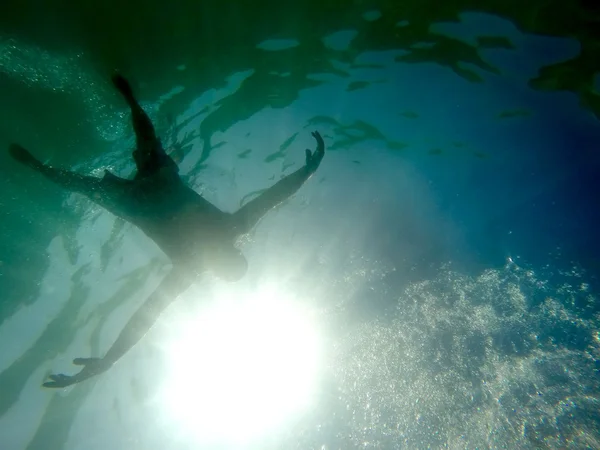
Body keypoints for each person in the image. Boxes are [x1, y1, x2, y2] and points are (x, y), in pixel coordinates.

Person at [8, 74, 325, 388]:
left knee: (81, 185)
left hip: (135, 204)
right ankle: (131, 100)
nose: (221, 256)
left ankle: (38, 166)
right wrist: (306, 172)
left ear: (215, 269)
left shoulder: (190, 270)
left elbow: (146, 317)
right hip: (160, 180)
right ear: (235, 249)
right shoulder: (234, 227)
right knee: (147, 138)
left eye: (221, 264)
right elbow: (271, 198)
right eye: (229, 257)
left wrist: (110, 360)